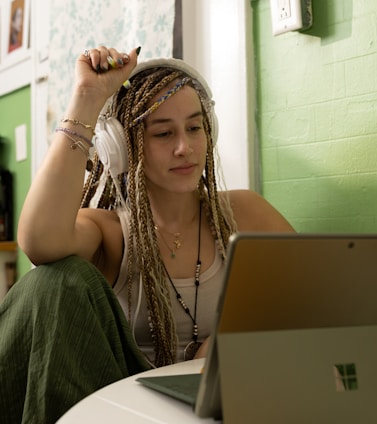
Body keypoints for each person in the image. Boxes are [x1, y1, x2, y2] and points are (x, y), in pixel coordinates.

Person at [0, 45, 294, 423]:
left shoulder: (244, 213)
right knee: (55, 280)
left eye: (193, 127)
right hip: (124, 404)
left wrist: (233, 337)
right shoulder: (108, 231)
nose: (184, 147)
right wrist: (87, 100)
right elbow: (38, 241)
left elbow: (311, 299)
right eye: (162, 133)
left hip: (225, 400)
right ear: (123, 147)